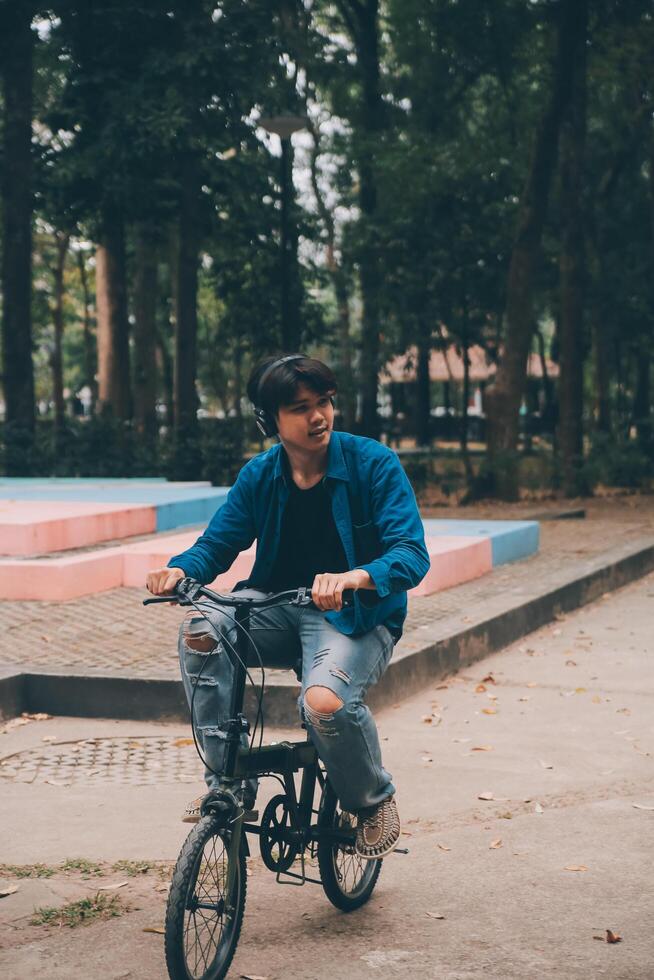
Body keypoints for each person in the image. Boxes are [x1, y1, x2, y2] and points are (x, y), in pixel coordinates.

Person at [146, 354, 430, 859]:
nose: (318, 416)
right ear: (269, 420)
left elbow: (411, 554)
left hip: (355, 615)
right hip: (275, 608)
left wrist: (356, 577)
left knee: (324, 704)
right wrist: (181, 571)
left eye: (324, 402)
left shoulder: (372, 463)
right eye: (301, 408)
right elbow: (216, 545)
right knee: (201, 628)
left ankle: (371, 799)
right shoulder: (260, 475)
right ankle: (228, 782)